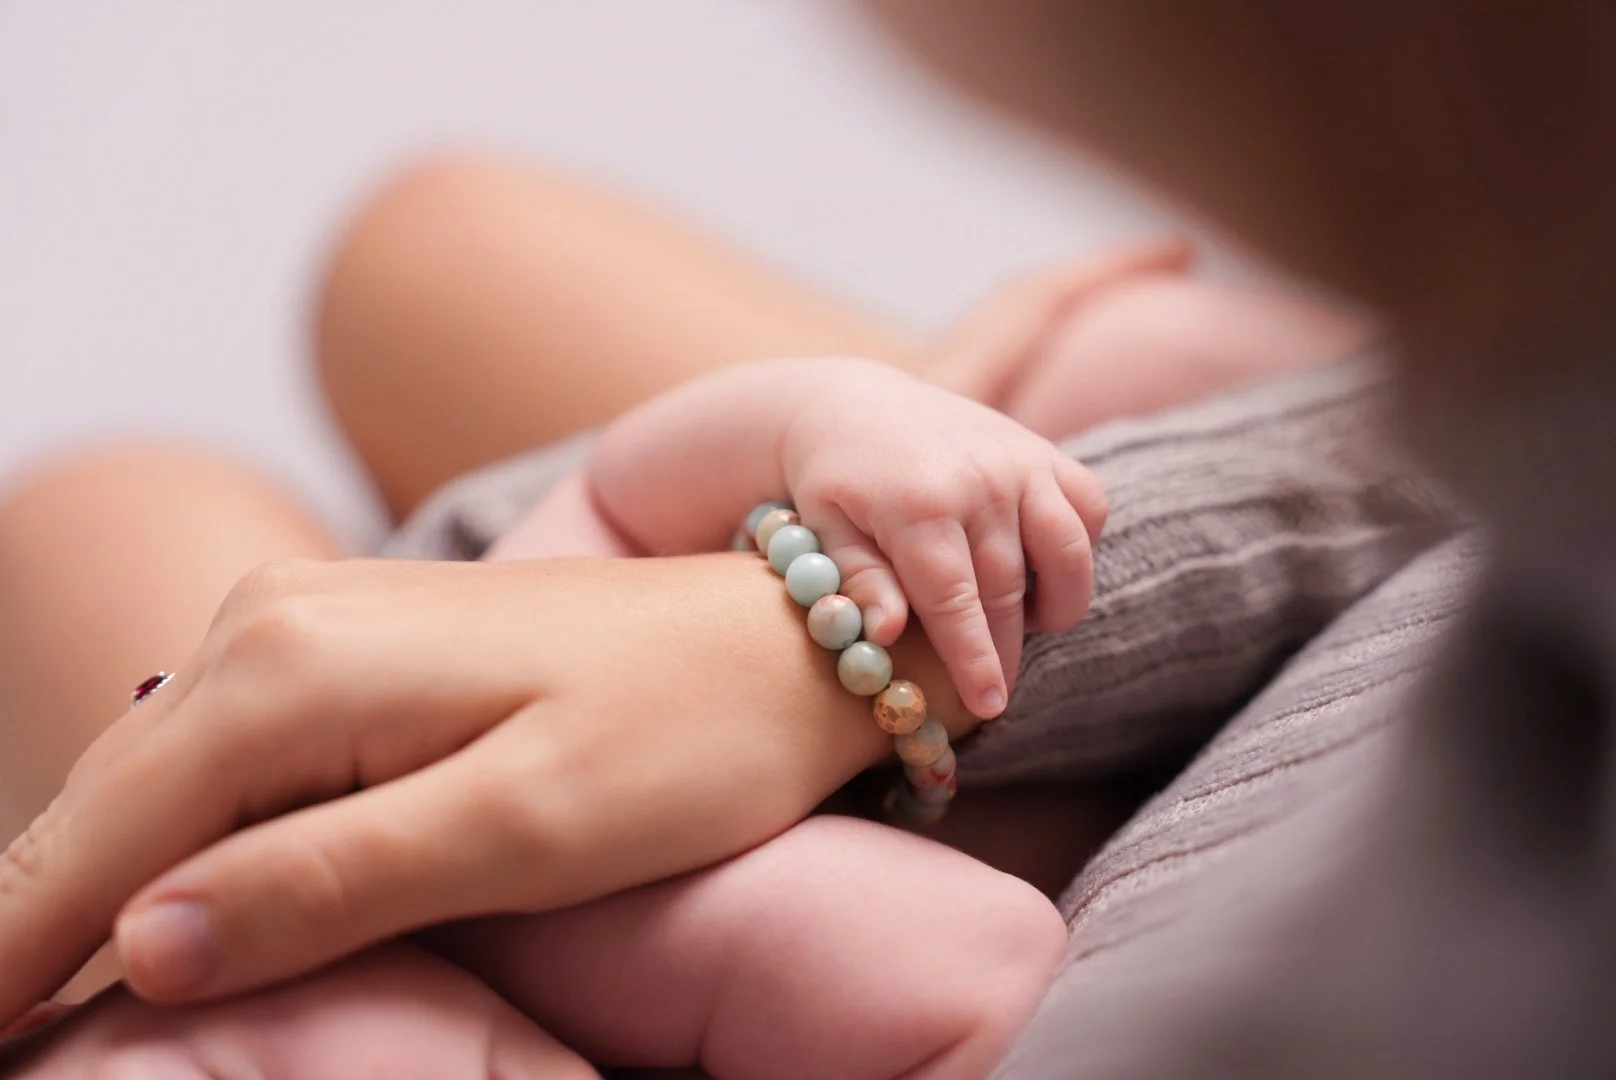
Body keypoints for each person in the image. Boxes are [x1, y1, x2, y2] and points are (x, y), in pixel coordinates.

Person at [26, 0, 1580, 1068]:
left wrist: (829, 436)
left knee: (199, 430)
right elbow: (960, 970)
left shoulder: (429, 913)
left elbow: (634, 492)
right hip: (1155, 725)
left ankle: (1176, 400)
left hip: (867, 638)